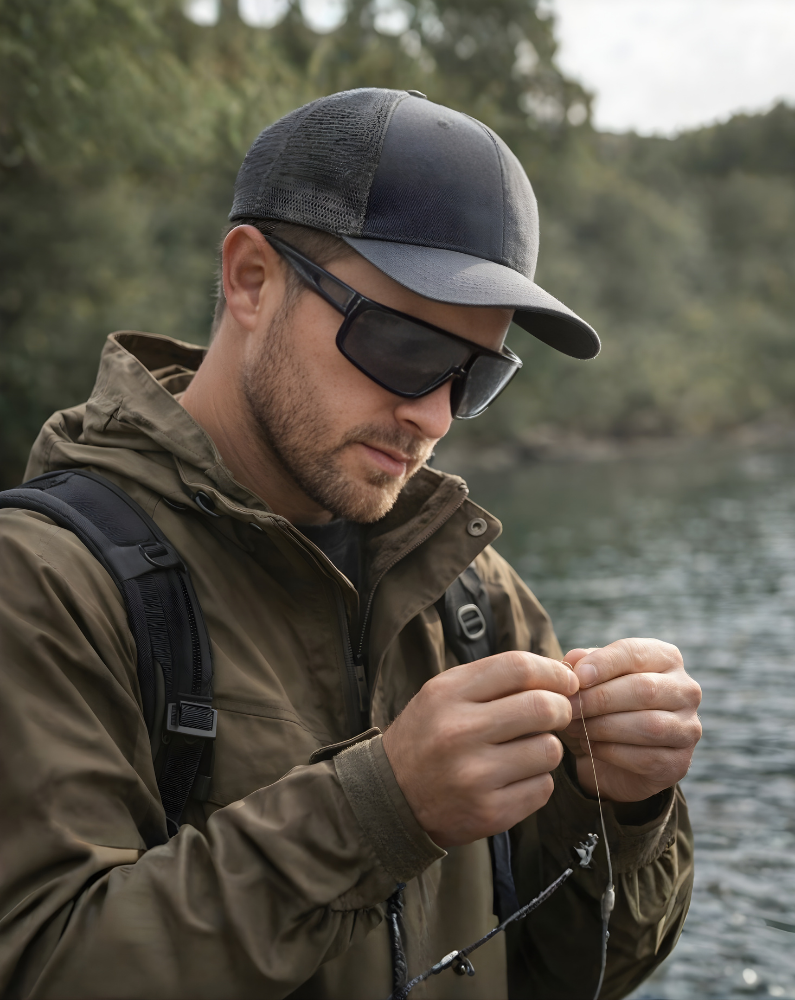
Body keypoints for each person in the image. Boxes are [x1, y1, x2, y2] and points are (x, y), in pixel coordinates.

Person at [0, 88, 701, 999]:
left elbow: (574, 975)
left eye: (475, 376)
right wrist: (379, 810)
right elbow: (43, 968)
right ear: (252, 279)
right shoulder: (44, 584)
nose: (434, 416)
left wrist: (621, 806)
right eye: (404, 346)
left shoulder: (474, 594)